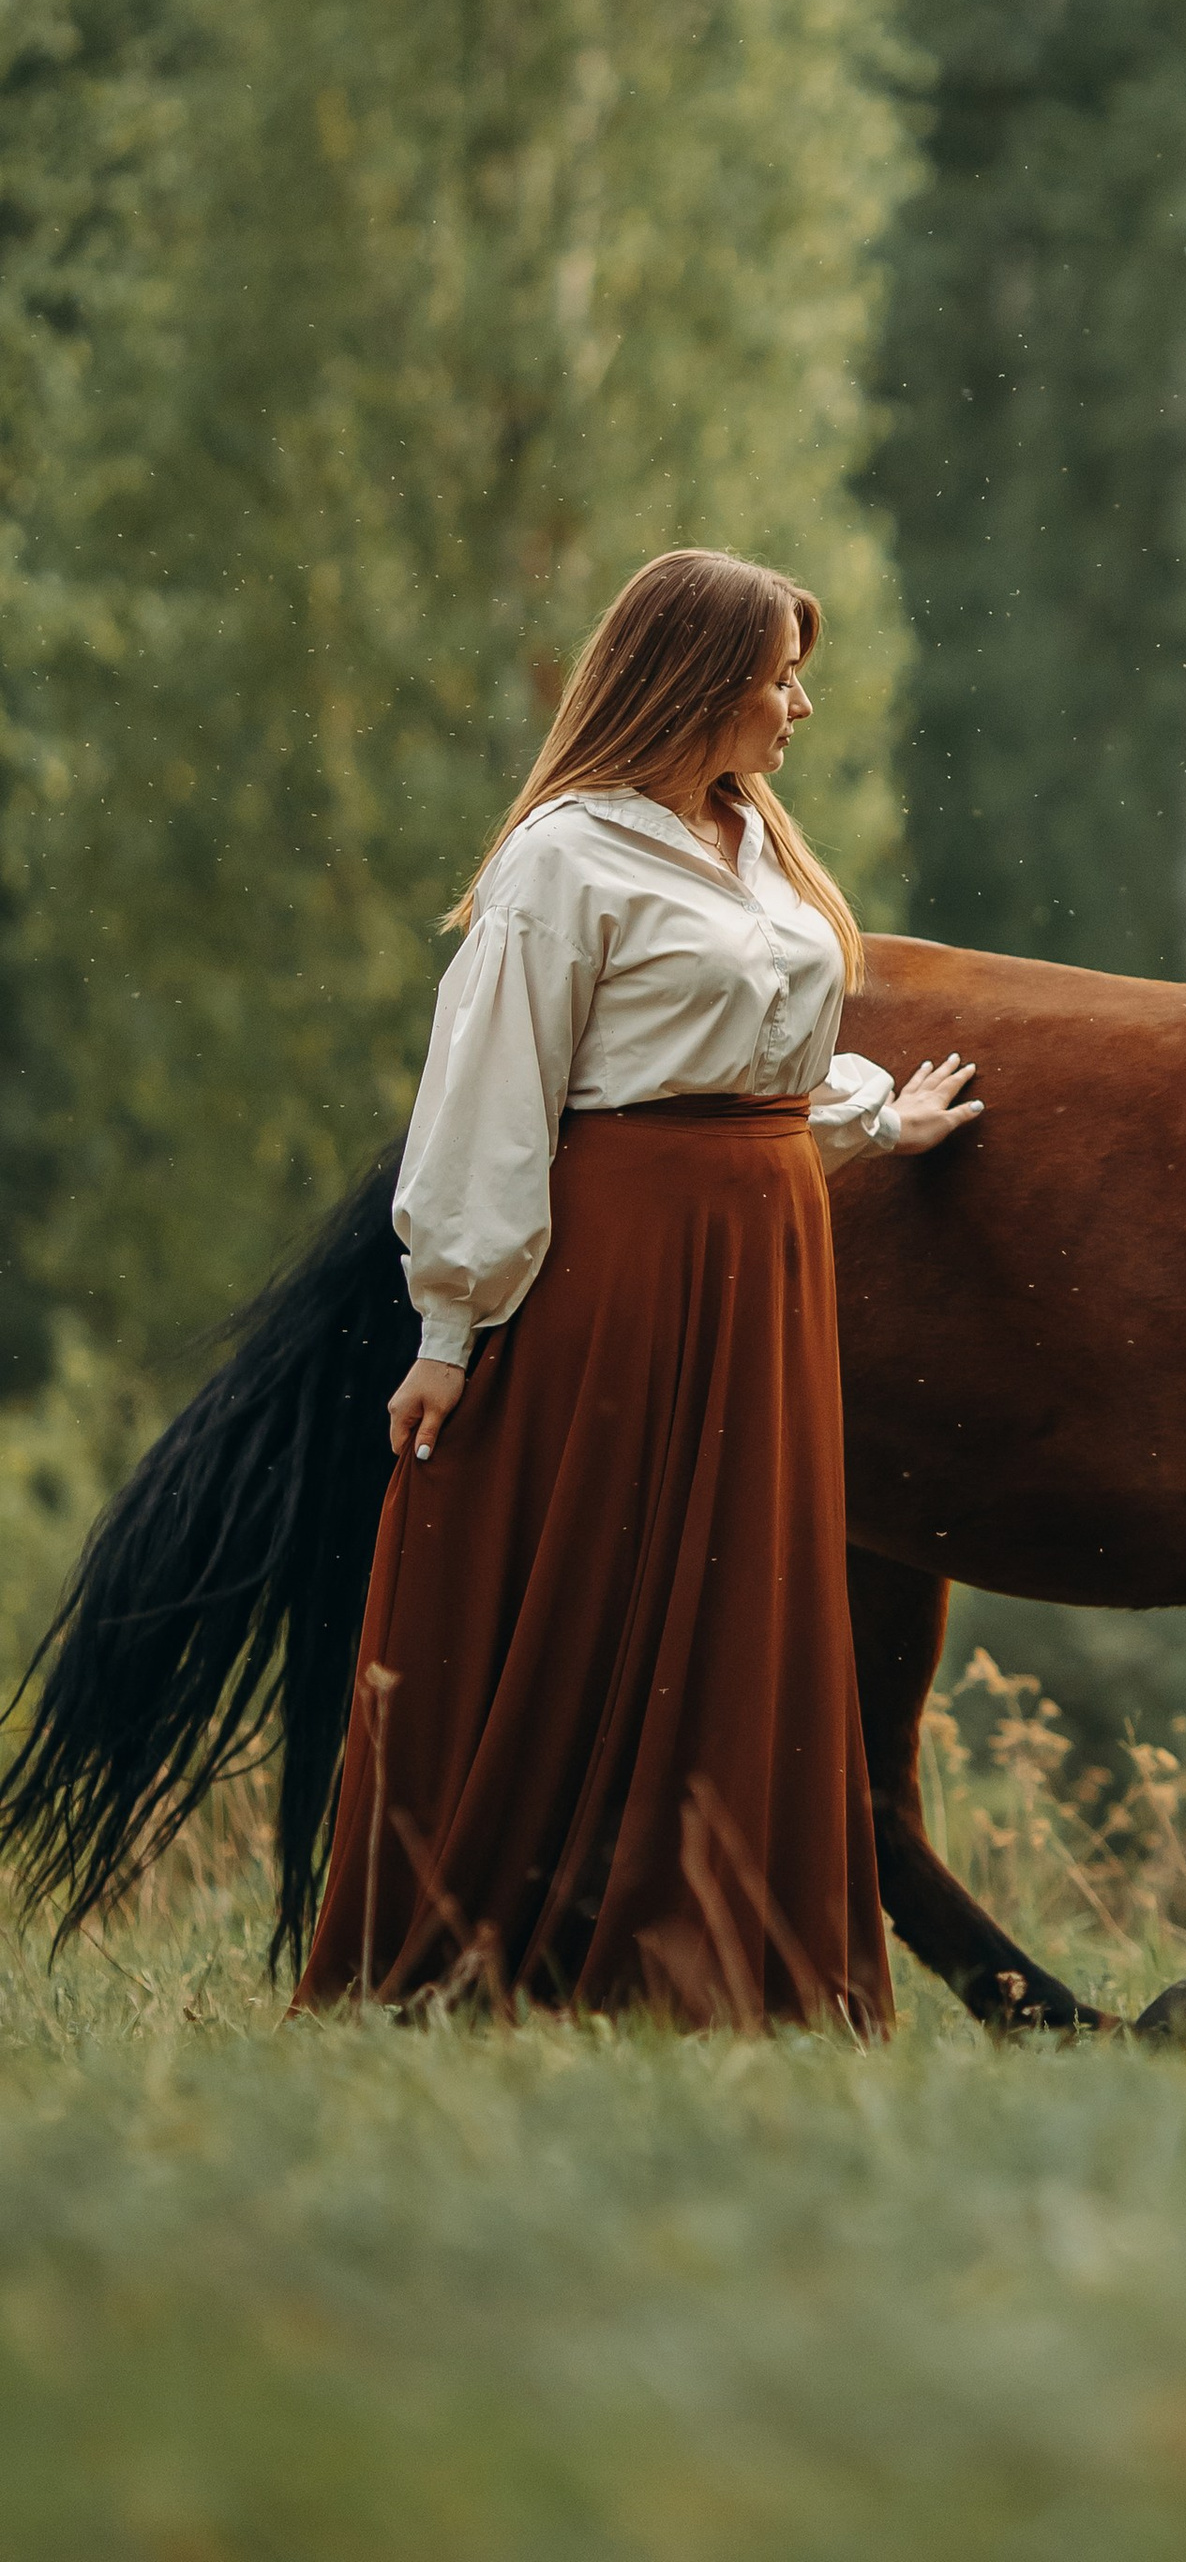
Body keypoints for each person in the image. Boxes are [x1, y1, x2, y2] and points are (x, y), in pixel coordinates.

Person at [291, 548, 980, 2029]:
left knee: (741, 1580)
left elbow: (758, 1058)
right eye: (779, 675)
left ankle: (723, 1954)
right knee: (609, 1570)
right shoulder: (563, 860)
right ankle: (551, 1949)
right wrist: (452, 1325)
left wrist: (870, 1119)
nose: (798, 704)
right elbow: (495, 1095)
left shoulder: (754, 844)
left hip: (767, 1251)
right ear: (701, 680)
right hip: (630, 1255)